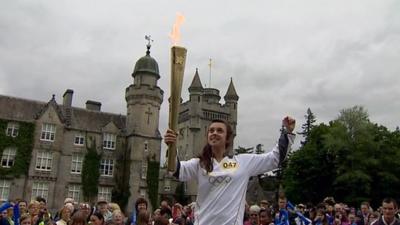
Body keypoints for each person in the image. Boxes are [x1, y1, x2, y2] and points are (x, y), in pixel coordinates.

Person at [163, 117, 296, 225]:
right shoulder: (199, 164)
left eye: (220, 130)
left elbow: (274, 159)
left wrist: (288, 132)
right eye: (211, 130)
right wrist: (172, 146)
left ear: (227, 138)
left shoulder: (243, 163)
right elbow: (175, 169)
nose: (214, 133)